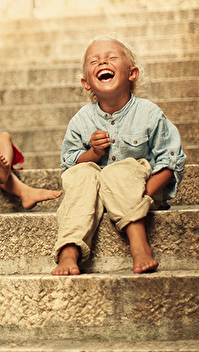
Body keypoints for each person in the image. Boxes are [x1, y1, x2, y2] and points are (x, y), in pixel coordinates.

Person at [52, 37, 186, 276]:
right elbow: (69, 162)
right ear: (86, 83)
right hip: (91, 195)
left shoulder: (149, 113)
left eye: (111, 57)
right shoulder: (81, 120)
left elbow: (170, 160)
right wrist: (93, 153)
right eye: (94, 61)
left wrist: (143, 193)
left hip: (139, 190)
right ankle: (69, 251)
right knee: (81, 174)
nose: (102, 62)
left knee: (118, 171)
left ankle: (139, 246)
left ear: (132, 73)